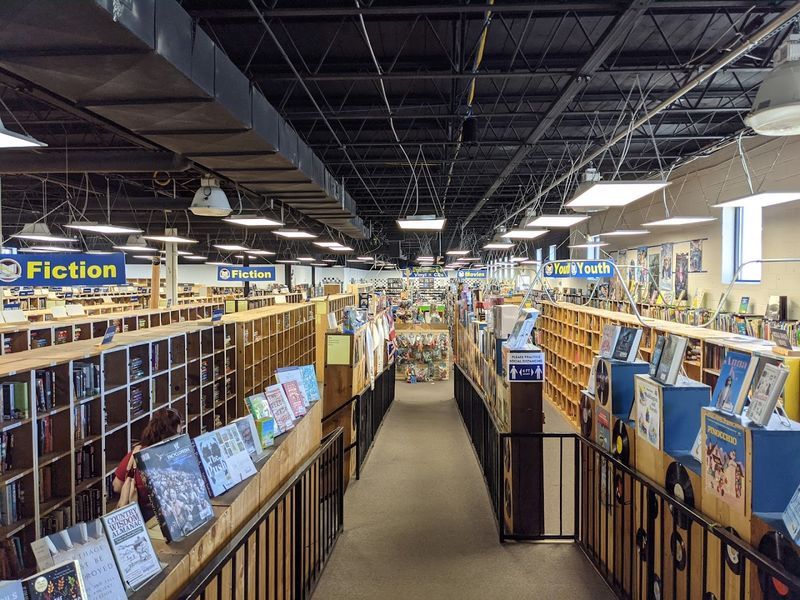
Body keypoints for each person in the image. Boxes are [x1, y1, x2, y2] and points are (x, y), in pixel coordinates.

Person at [113, 408, 182, 521]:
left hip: (139, 517)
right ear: (172, 433)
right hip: (163, 518)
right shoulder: (174, 457)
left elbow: (116, 486)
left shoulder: (137, 452)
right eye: (179, 432)